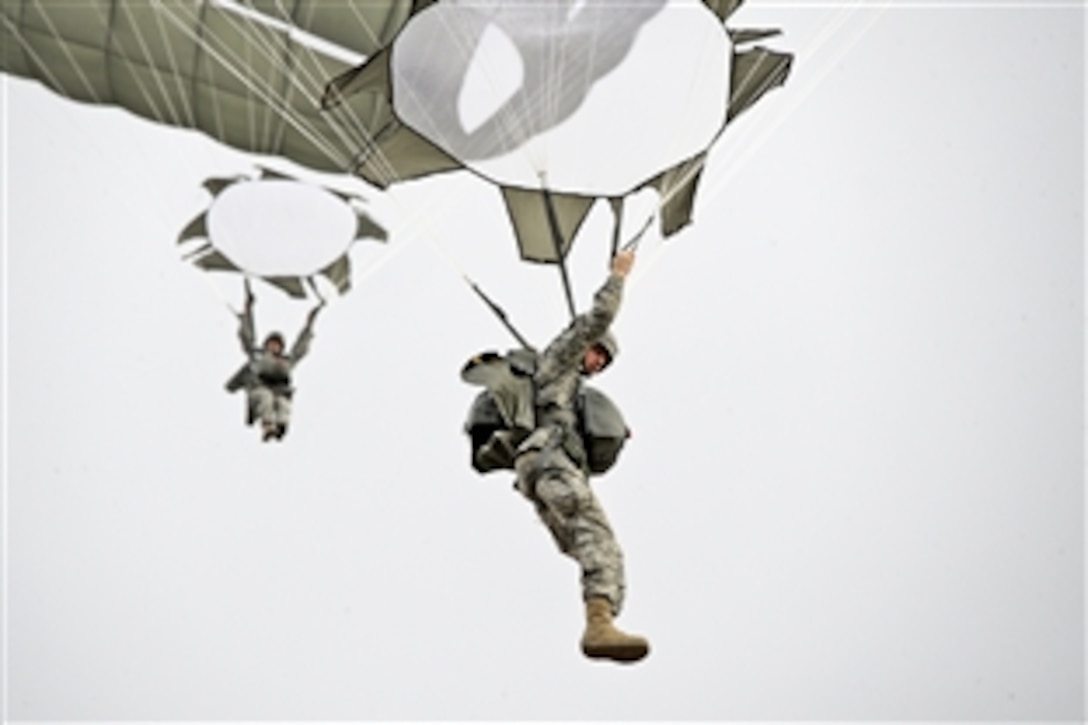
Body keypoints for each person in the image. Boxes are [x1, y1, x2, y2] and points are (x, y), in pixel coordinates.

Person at [512, 248, 649, 663]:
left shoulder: (570, 392)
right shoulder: (558, 361)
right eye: (597, 353)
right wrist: (618, 276)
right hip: (549, 461)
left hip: (545, 469)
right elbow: (598, 319)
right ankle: (599, 625)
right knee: (600, 539)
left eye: (604, 362)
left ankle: (601, 618)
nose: (597, 362)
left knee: (592, 548)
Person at [225, 281, 323, 441]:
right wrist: (248, 309)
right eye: (271, 344)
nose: (274, 347)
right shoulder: (257, 355)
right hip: (259, 389)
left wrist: (309, 325)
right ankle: (267, 426)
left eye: (277, 345)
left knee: (283, 404)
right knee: (266, 398)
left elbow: (300, 348)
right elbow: (246, 336)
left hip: (280, 391)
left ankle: (280, 427)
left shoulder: (287, 361)